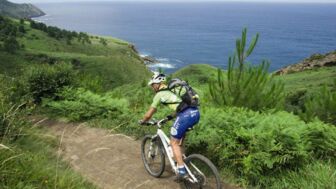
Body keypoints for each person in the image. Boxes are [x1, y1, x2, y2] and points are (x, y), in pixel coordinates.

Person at [139, 72, 200, 181]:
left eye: (153, 85)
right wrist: (169, 117)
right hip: (195, 113)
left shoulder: (159, 95)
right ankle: (181, 162)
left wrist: (143, 121)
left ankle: (181, 170)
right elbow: (181, 106)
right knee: (179, 141)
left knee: (173, 143)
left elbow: (149, 114)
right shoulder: (173, 90)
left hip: (185, 116)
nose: (152, 87)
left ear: (158, 83)